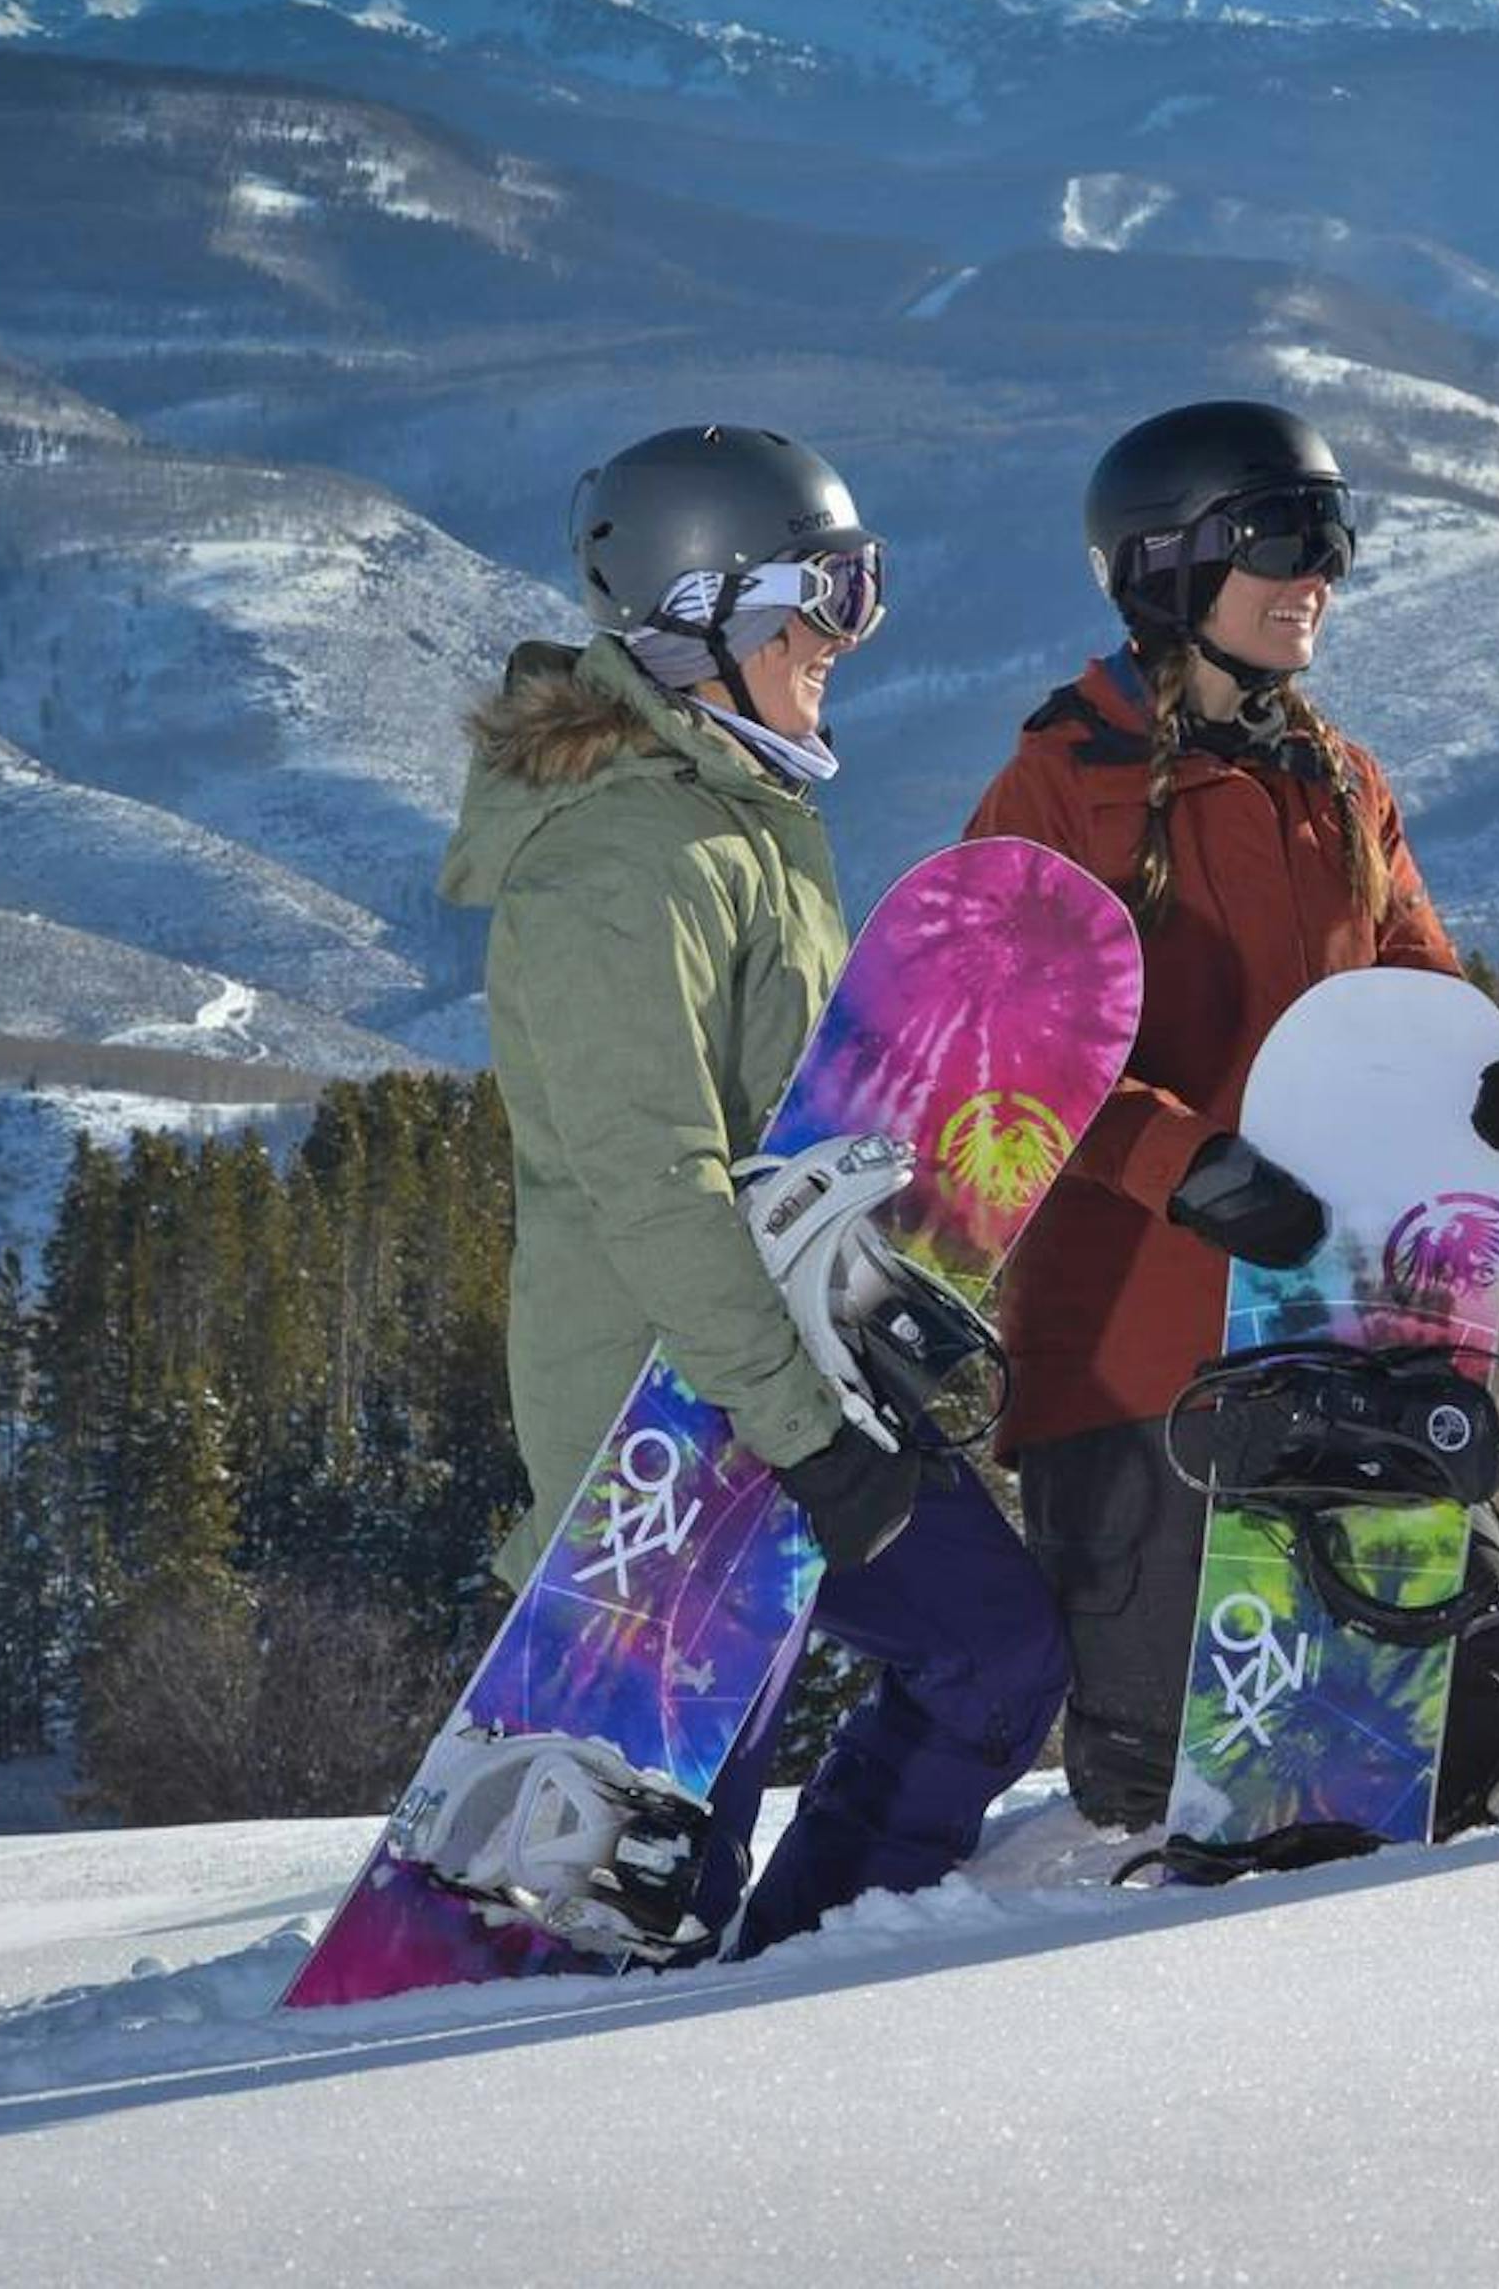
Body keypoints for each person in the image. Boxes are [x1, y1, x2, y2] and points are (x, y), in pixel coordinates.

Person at [440, 421, 1068, 1958]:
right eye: (819, 601)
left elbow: (796, 1119)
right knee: (666, 1858)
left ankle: (802, 1967)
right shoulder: (617, 867)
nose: (843, 638)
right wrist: (807, 1437)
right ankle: (629, 2024)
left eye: (859, 594)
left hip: (784, 1372)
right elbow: (656, 1187)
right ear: (699, 611)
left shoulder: (743, 819)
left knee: (993, 1647)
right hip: (662, 1411)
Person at [964, 399, 1499, 1844]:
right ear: (1169, 566)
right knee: (1187, 1771)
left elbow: (1414, 990)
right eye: (1283, 537)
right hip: (1138, 1364)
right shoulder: (1064, 786)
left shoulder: (1341, 784)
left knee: (1462, 1716)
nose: (1322, 571)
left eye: (1337, 537)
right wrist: (1183, 1163)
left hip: (1342, 1326)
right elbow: (1000, 1061)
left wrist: (1495, 1087)